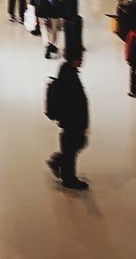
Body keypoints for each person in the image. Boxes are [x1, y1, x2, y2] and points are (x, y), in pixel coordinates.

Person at [46, 47, 89, 190]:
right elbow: (75, 101)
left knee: (72, 146)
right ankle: (68, 178)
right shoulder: (70, 77)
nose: (82, 60)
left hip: (68, 119)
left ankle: (59, 162)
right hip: (72, 119)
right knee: (73, 147)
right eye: (80, 58)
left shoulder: (65, 70)